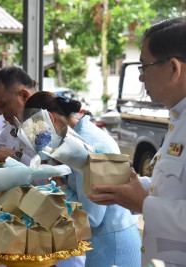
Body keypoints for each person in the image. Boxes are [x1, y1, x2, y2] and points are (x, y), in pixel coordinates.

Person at [87, 17, 186, 267]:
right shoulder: (178, 118)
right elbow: (174, 190)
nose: (141, 78)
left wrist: (143, 203)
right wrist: (129, 188)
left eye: (144, 66)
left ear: (174, 68)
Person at [24, 91, 141, 267]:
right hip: (106, 238)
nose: (43, 142)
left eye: (40, 134)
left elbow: (91, 217)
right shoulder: (78, 135)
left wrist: (58, 182)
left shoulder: (85, 143)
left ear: (50, 118)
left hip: (109, 244)